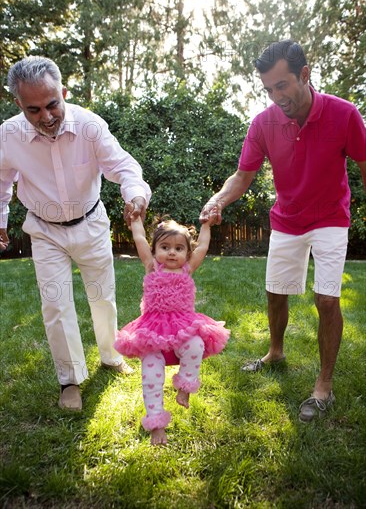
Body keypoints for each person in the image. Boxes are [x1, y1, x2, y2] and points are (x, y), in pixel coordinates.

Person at [200, 40, 366, 423]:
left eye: (282, 86)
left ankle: (323, 385)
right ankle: (275, 353)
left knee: (327, 300)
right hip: (288, 219)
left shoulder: (344, 114)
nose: (276, 96)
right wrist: (217, 202)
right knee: (275, 292)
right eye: (269, 90)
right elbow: (243, 175)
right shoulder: (263, 123)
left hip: (330, 218)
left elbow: (363, 162)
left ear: (304, 75)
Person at [0, 56, 151, 411]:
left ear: (63, 92)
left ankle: (111, 356)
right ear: (18, 104)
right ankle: (70, 380)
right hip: (45, 230)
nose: (46, 116)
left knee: (102, 296)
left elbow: (123, 166)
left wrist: (136, 196)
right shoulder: (7, 135)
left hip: (91, 222)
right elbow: (1, 184)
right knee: (55, 304)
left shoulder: (89, 125)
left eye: (53, 104)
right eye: (33, 109)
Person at [114, 212, 230, 445]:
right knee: (151, 370)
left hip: (183, 325)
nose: (171, 252)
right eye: (165, 247)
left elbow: (204, 246)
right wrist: (135, 221)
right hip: (152, 328)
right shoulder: (152, 267)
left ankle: (186, 385)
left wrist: (206, 225)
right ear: (155, 250)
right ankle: (156, 423)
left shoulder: (187, 269)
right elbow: (138, 239)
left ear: (187, 253)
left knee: (196, 344)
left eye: (178, 248)